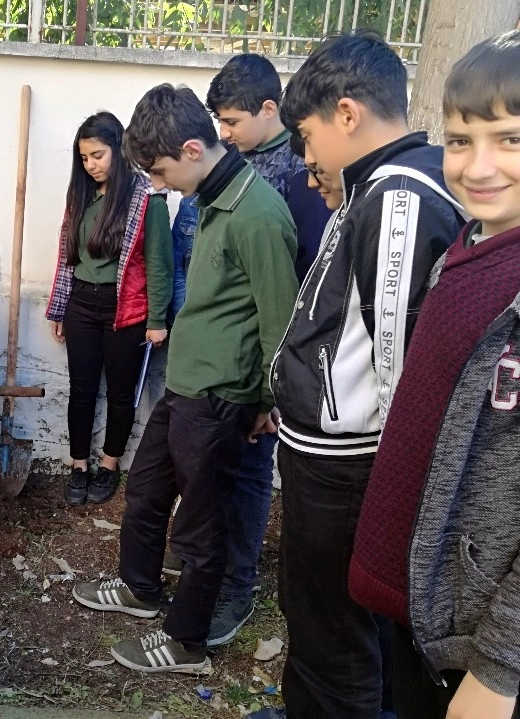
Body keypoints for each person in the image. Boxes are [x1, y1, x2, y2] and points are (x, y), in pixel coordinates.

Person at [261, 30, 467, 719]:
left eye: (308, 133)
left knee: (332, 635)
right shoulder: (384, 185)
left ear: (346, 113)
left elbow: (399, 361)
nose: (307, 153)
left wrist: (392, 490)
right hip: (339, 463)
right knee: (334, 623)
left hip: (351, 470)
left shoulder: (399, 195)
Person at [72, 84, 298, 675]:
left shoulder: (259, 215)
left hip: (221, 396)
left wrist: (266, 401)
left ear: (194, 149)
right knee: (145, 491)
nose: (157, 182)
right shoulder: (207, 203)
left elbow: (279, 323)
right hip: (184, 384)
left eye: (161, 170)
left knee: (201, 526)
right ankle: (141, 588)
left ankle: (186, 640)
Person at [350, 30, 520, 719]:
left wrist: (502, 668)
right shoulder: (467, 249)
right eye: (459, 139)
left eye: (510, 138)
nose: (478, 165)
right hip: (426, 618)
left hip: (480, 652)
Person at [159, 52, 329, 648]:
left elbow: (282, 292)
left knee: (251, 475)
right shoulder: (228, 164)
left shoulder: (295, 176)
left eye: (230, 121)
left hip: (259, 359)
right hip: (209, 353)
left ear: (268, 109)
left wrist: (269, 384)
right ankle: (207, 572)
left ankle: (235, 585)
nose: (221, 133)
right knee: (207, 478)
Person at [46, 111, 172, 506]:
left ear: (118, 150)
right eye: (84, 158)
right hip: (82, 304)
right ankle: (79, 465)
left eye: (97, 155)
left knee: (120, 394)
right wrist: (60, 307)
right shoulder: (80, 196)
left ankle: (109, 464)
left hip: (126, 310)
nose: (91, 165)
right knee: (81, 390)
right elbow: (66, 256)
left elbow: (159, 263)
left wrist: (156, 320)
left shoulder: (146, 198)